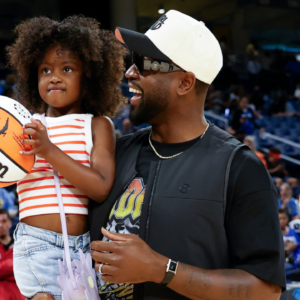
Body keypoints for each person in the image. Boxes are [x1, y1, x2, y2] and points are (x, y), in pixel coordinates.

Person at [89, 10, 285, 300]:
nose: (130, 72)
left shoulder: (239, 167)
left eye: (143, 63)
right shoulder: (114, 153)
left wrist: (161, 270)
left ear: (185, 83)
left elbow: (265, 289)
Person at [7, 16, 126, 300]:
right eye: (45, 69)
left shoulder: (98, 125)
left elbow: (100, 187)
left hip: (83, 247)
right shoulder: (25, 125)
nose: (54, 76)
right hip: (36, 244)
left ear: (89, 79)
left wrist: (48, 151)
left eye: (67, 68)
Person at [0, 208, 24, 300]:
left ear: (10, 223)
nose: (0, 225)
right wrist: (13, 264)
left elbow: (25, 269)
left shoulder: (21, 245)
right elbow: (19, 266)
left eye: (4, 221)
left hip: (20, 296)